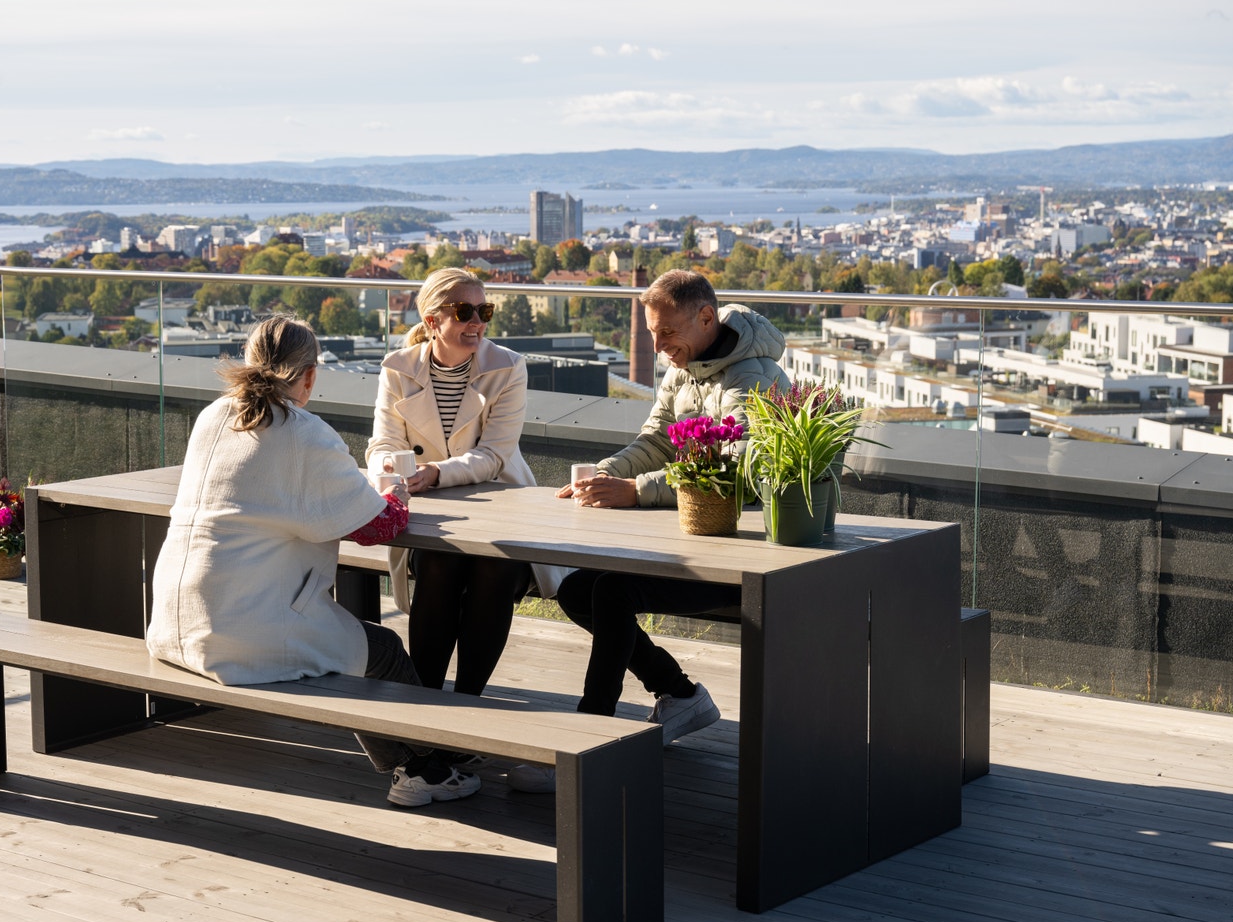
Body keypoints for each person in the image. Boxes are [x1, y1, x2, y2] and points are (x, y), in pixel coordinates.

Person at [146, 315, 480, 809]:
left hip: (174, 619)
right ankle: (424, 769)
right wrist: (396, 493)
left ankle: (425, 759)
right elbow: (377, 528)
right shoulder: (303, 432)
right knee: (383, 649)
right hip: (242, 630)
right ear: (309, 375)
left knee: (357, 641)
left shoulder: (214, 415)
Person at [510, 270, 791, 794]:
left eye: (666, 333)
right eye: (652, 334)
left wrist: (637, 491)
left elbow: (737, 469)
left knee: (612, 591)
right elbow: (657, 441)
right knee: (576, 590)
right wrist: (607, 475)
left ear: (705, 318)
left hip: (744, 557)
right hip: (693, 542)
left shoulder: (752, 377)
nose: (658, 347)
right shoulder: (684, 367)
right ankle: (679, 695)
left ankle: (587, 741)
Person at [367, 267, 564, 696]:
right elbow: (382, 443)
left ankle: (467, 701)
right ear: (432, 320)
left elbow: (494, 455)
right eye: (464, 311)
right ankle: (423, 698)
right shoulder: (398, 369)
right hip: (432, 512)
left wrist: (436, 472)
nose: (477, 322)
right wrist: (391, 467)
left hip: (500, 507)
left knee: (494, 567)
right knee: (440, 563)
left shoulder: (507, 367)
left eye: (484, 311)